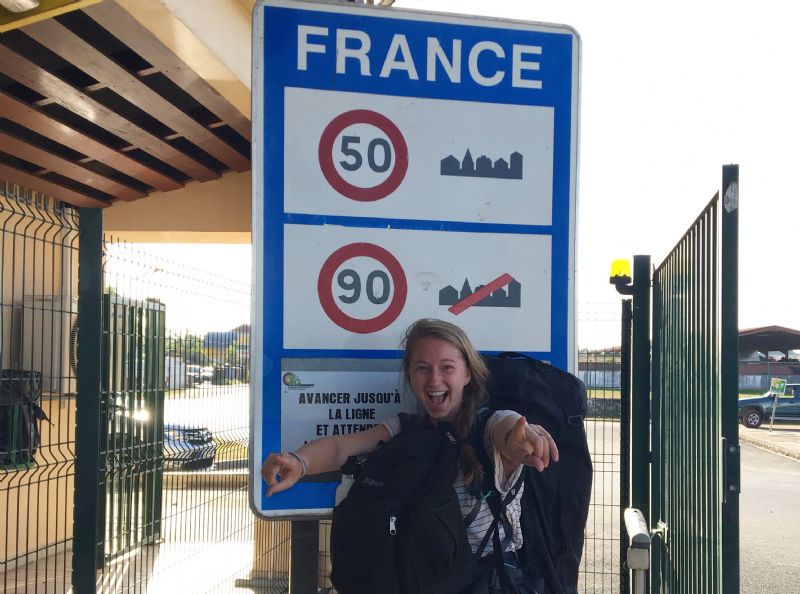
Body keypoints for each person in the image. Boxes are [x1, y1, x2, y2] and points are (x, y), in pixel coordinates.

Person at [261, 318, 558, 593]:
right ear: (410, 375)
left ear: (467, 373)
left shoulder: (489, 426)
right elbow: (341, 448)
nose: (434, 380)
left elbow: (508, 430)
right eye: (422, 368)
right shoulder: (405, 429)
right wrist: (300, 462)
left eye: (447, 367)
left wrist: (519, 440)